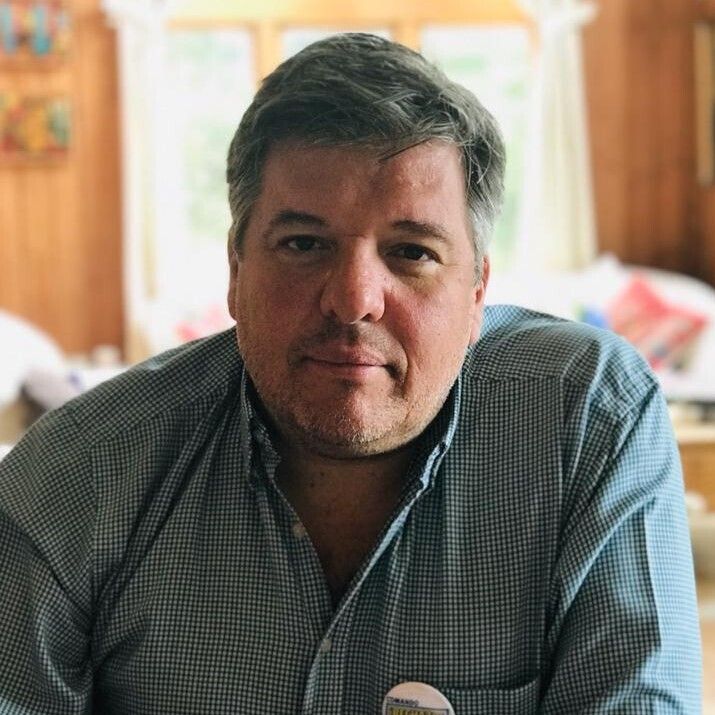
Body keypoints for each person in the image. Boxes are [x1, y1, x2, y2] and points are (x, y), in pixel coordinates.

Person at [0, 33, 701, 714]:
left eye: (411, 252)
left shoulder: (587, 422)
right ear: (235, 271)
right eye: (304, 243)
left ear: (477, 293)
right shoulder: (75, 477)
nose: (354, 299)